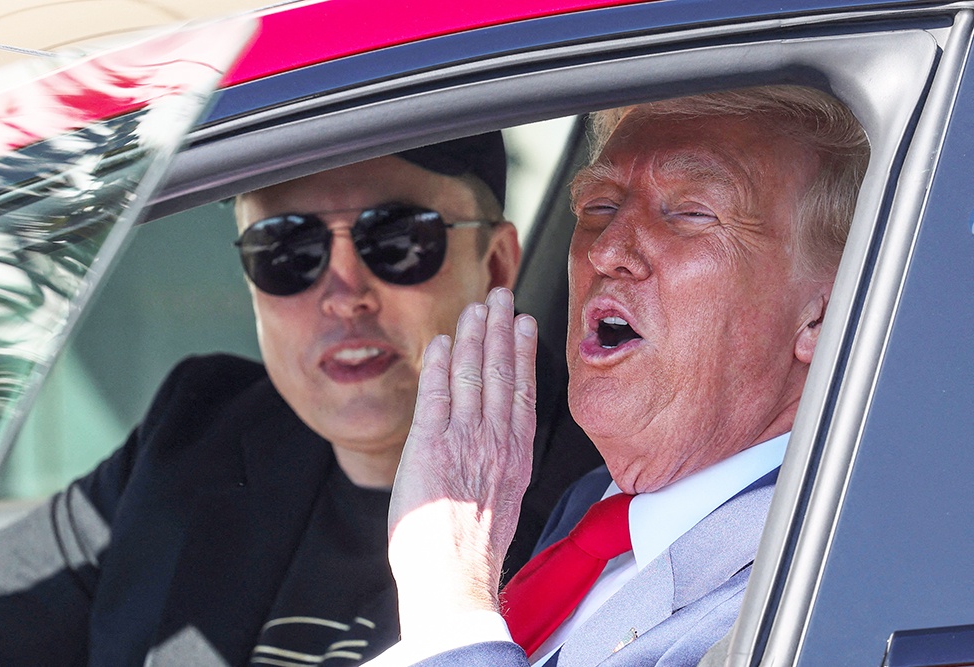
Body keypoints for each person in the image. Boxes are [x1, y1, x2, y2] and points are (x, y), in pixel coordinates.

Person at [0, 134, 603, 666]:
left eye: (396, 240)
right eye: (287, 250)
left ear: (495, 265)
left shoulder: (607, 484)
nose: (344, 294)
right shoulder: (197, 428)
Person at [368, 86, 871, 667]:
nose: (606, 250)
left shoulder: (807, 595)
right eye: (599, 207)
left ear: (821, 315)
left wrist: (449, 600)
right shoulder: (593, 509)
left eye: (691, 213)